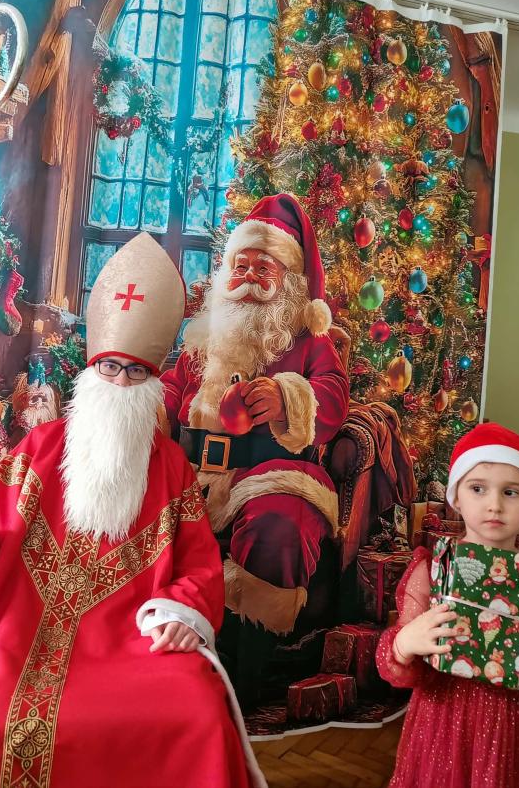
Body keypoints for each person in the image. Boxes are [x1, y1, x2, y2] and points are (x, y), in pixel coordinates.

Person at [0, 233, 266, 788]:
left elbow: (199, 566)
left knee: (200, 714)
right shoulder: (39, 450)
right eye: (109, 367)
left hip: (136, 641)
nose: (120, 382)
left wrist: (181, 616)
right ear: (89, 371)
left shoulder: (170, 466)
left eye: (135, 373)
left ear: (152, 383)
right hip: (24, 635)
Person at [161, 193, 349, 703]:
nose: (248, 277)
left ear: (288, 278)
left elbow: (334, 396)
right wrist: (149, 408)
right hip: (193, 473)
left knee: (280, 522)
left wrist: (288, 397)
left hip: (273, 472)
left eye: (263, 268)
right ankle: (153, 652)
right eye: (239, 265)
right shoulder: (204, 337)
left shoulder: (309, 339)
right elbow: (172, 391)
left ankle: (244, 670)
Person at [376, 422, 519, 787]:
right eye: (478, 488)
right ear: (456, 496)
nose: (495, 504)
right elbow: (394, 666)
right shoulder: (432, 570)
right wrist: (403, 644)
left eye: (511, 492)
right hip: (446, 727)